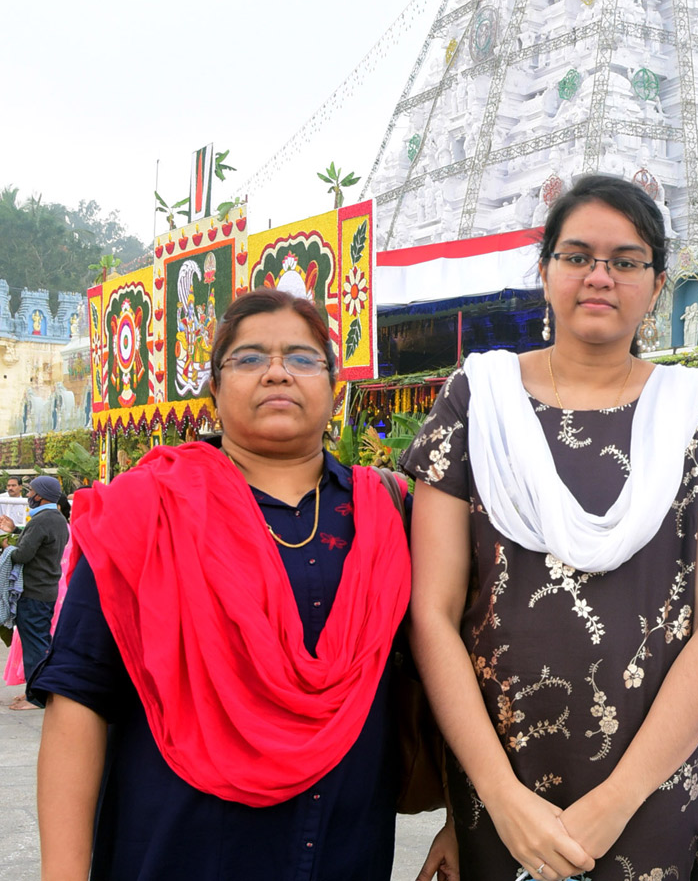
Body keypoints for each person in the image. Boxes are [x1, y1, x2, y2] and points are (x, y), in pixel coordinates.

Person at [403, 175, 698, 881]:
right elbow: (433, 615)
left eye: (626, 261)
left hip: (652, 787)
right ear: (545, 271)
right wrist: (497, 798)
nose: (600, 276)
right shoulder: (477, 402)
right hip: (500, 790)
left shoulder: (695, 413)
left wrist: (618, 801)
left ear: (656, 285)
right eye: (578, 255)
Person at [31, 288, 432, 880]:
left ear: (334, 387)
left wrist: (459, 824)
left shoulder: (392, 514)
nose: (276, 372)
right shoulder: (147, 510)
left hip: (345, 852)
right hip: (178, 850)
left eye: (301, 358)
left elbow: (452, 666)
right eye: (248, 359)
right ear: (215, 389)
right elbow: (80, 698)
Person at [0, 475, 69, 710]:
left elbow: (22, 555)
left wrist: (5, 546)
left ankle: (37, 697)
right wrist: (17, 530)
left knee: (35, 646)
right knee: (38, 642)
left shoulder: (42, 520)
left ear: (40, 496)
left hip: (34, 592)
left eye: (31, 492)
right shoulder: (57, 518)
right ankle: (35, 688)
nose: (28, 495)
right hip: (45, 590)